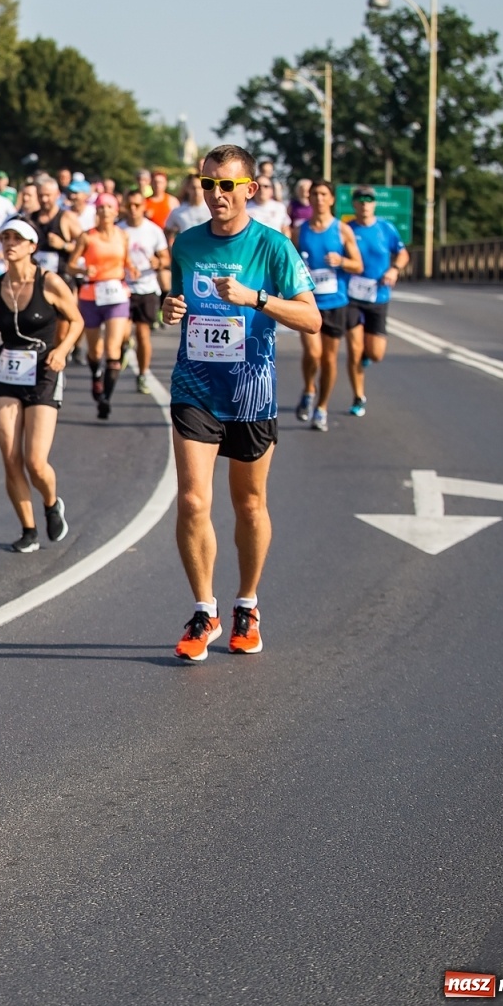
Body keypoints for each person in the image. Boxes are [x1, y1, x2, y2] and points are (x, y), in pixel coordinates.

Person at [161, 145, 319, 662]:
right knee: (192, 500)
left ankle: (246, 605)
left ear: (249, 189)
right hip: (195, 385)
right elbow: (178, 303)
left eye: (226, 185)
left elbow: (311, 319)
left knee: (248, 504)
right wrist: (171, 308)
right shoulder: (185, 244)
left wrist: (256, 299)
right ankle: (203, 609)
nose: (216, 194)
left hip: (252, 388)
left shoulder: (273, 247)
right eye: (208, 184)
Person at [0, 219, 79, 553]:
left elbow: (76, 320)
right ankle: (29, 530)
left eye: (17, 238)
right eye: (5, 238)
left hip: (45, 370)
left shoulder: (50, 282)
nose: (10, 243)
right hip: (7, 372)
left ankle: (50, 503)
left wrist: (62, 350)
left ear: (32, 246)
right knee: (10, 457)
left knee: (35, 460)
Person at [293, 181, 362, 432]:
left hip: (336, 302)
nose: (318, 198)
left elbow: (358, 265)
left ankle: (321, 407)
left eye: (323, 194)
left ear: (331, 199)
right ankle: (309, 388)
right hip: (308, 303)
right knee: (313, 353)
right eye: (314, 194)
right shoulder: (300, 231)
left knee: (329, 359)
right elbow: (290, 263)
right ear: (308, 199)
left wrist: (341, 260)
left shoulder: (342, 230)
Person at [343, 185, 408, 418]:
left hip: (378, 295)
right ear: (354, 204)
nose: (364, 203)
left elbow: (402, 253)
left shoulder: (385, 229)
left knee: (376, 353)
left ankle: (367, 357)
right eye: (360, 199)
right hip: (350, 297)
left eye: (369, 199)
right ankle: (358, 396)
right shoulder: (347, 229)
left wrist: (394, 269)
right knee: (354, 348)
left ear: (374, 203)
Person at [68, 192, 132, 419]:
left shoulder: (123, 236)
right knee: (94, 350)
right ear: (96, 212)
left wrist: (132, 269)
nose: (105, 211)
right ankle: (96, 376)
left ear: (116, 212)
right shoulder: (87, 237)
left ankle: (105, 398)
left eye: (109, 207)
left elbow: (126, 261)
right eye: (101, 207)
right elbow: (71, 265)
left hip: (116, 294)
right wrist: (83, 270)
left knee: (113, 349)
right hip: (91, 295)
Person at [120, 189, 172, 396]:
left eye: (137, 205)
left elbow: (166, 259)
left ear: (144, 207)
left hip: (147, 288)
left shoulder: (153, 231)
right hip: (123, 288)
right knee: (121, 333)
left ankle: (142, 374)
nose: (133, 210)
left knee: (143, 335)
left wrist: (158, 262)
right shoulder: (118, 230)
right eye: (129, 205)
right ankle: (124, 345)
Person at [29, 175, 83, 285]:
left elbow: (84, 246)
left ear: (57, 194)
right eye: (40, 196)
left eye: (48, 195)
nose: (44, 199)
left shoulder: (66, 217)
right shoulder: (31, 218)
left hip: (61, 280)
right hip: (36, 279)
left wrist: (64, 245)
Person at [164, 174, 210, 246]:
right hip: (187, 251)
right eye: (193, 188)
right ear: (187, 188)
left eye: (200, 188)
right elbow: (167, 232)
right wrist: (172, 249)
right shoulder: (178, 212)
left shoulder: (211, 209)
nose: (197, 191)